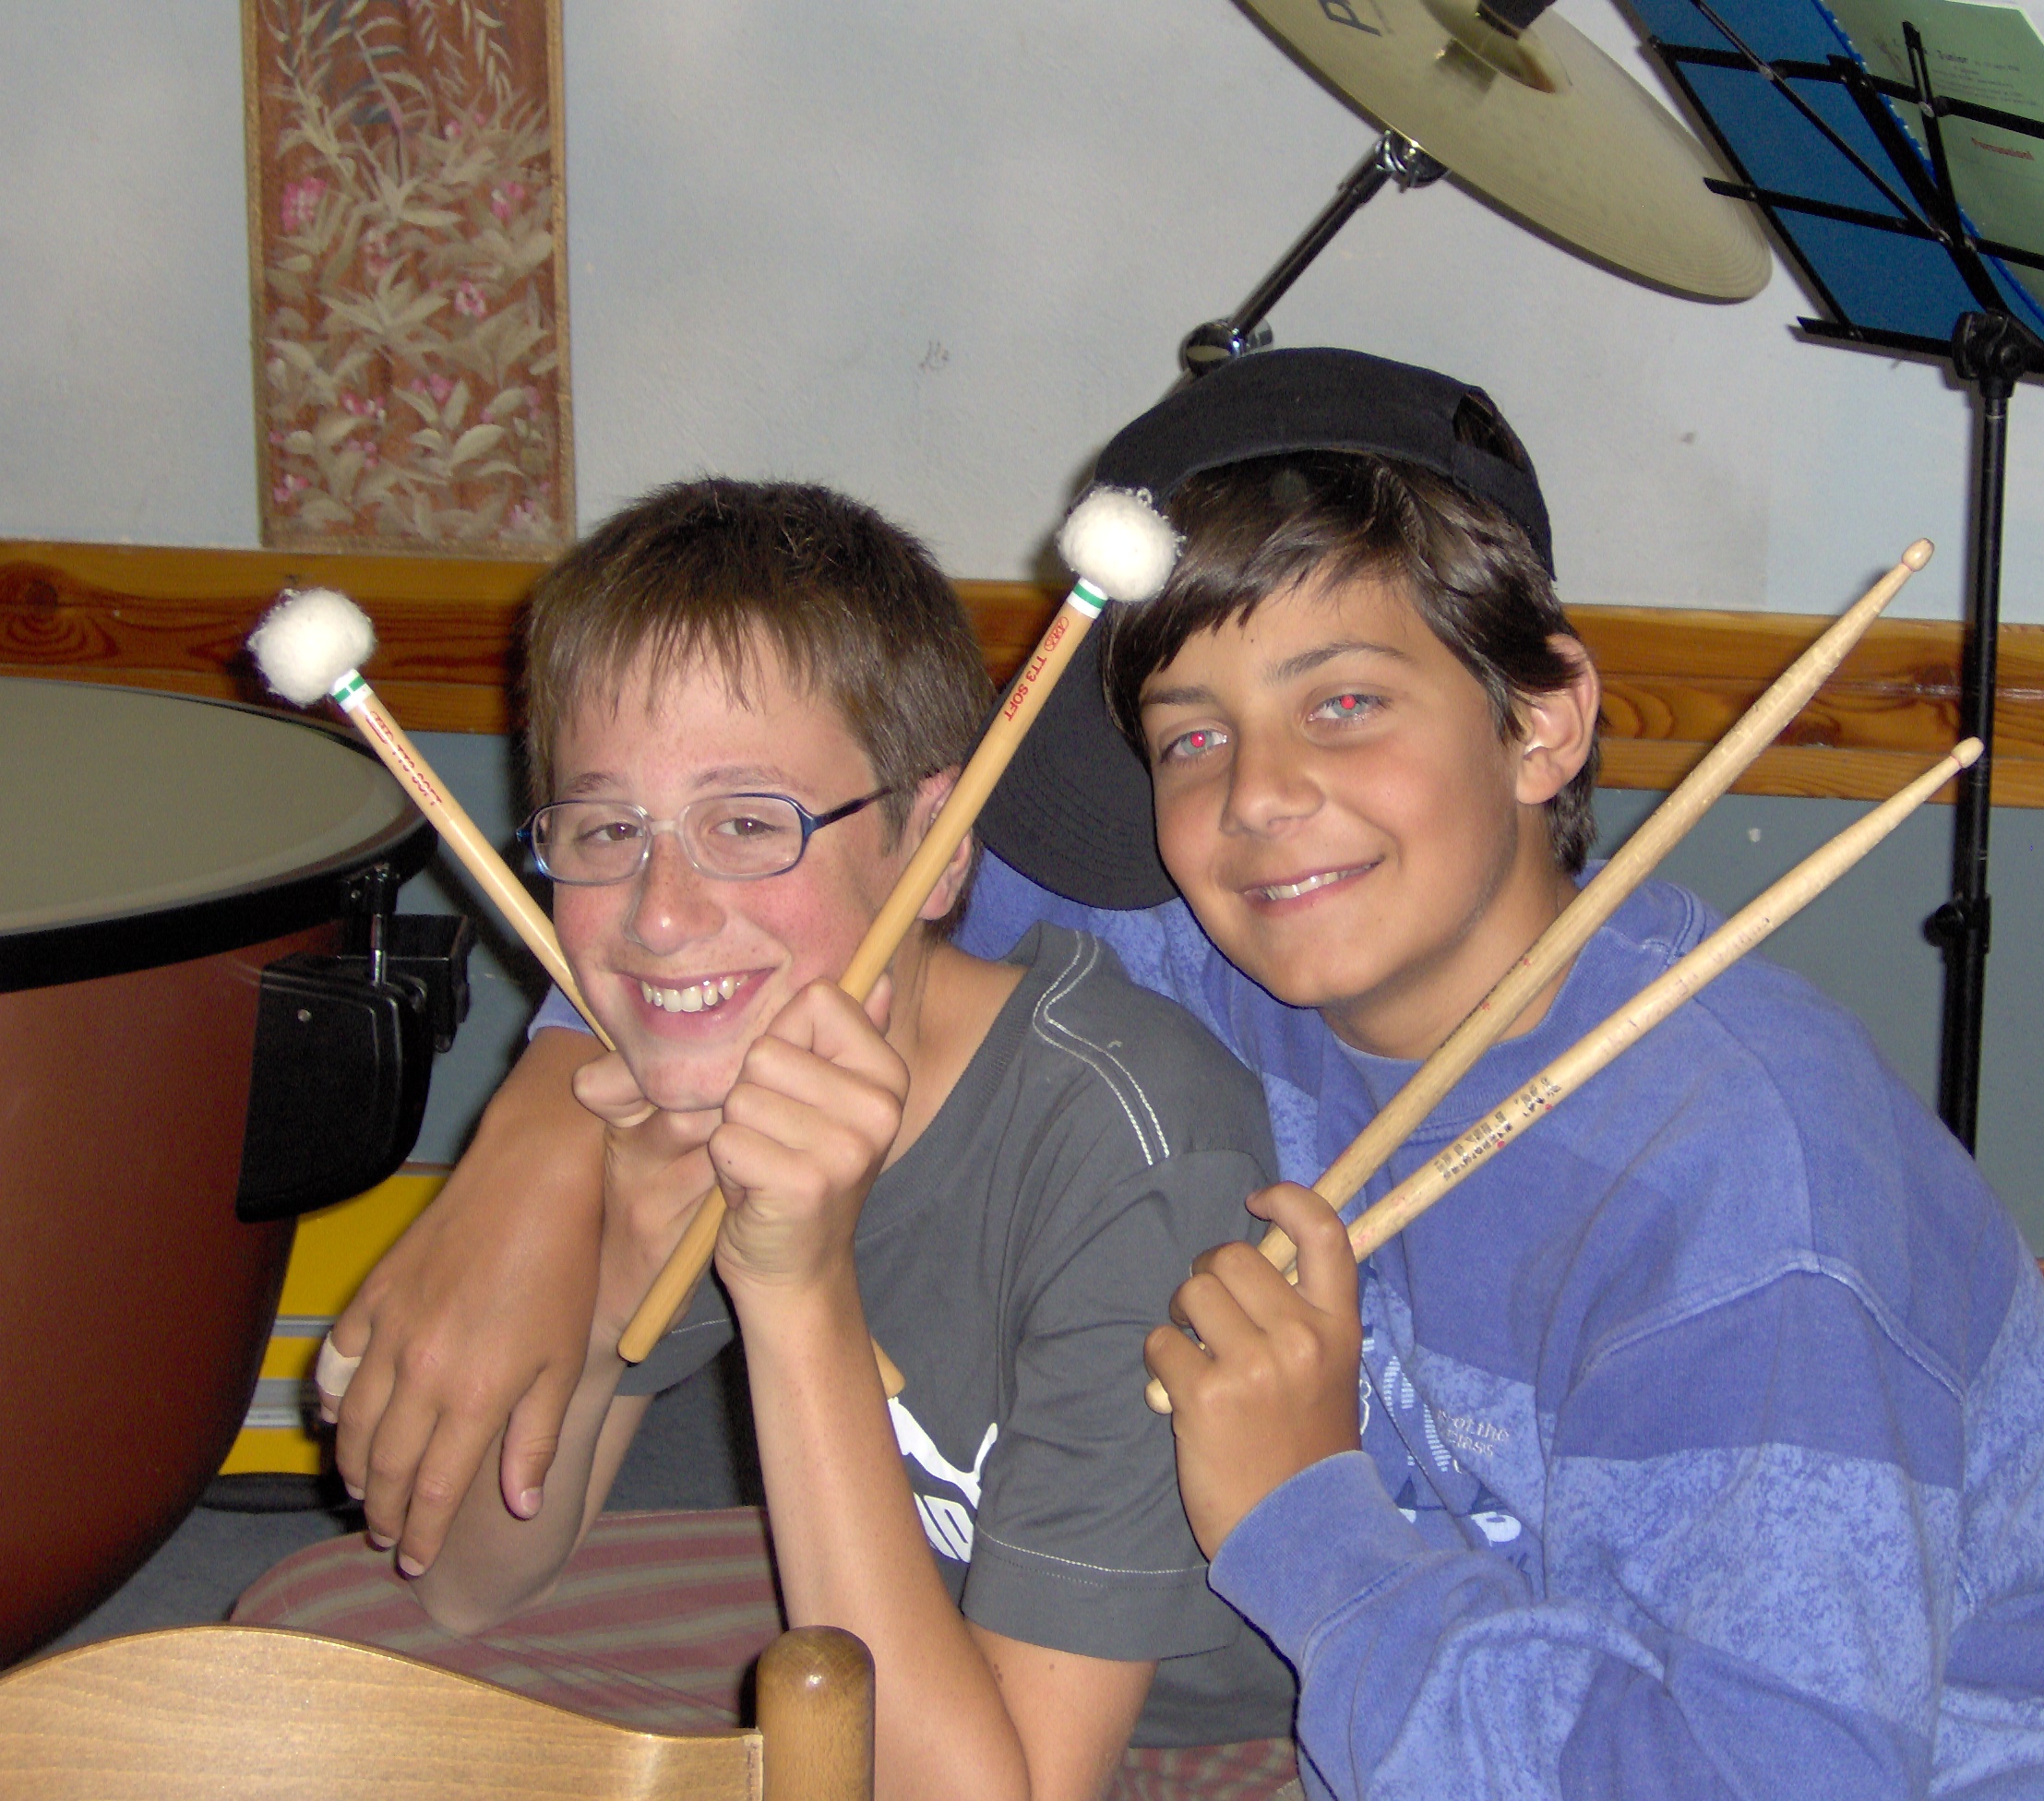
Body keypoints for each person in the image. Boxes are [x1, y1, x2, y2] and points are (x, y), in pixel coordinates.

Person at [312, 354, 2044, 1798]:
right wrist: (537, 1143)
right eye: (1188, 734)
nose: (1259, 797)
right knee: (345, 1684)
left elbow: (1771, 1773)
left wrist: (1301, 1514)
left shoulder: (1743, 1184)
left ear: (1542, 722)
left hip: (1948, 1763)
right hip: (1422, 1705)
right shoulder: (1207, 929)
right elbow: (767, 913)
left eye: (1345, 702)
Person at [234, 478, 1297, 1801]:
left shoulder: (1132, 1138)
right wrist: (606, 1287)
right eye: (606, 830)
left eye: (747, 824)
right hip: (895, 1595)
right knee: (308, 1651)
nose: (659, 915)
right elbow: (468, 1586)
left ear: (935, 844)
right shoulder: (717, 1077)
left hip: (1177, 1735)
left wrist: (797, 1289)